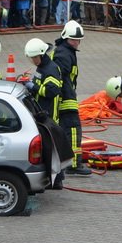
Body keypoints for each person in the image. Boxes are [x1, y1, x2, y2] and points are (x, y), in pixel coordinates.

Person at [51, 21, 92, 178]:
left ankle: (69, 162)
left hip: (67, 97)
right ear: (66, 38)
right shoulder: (63, 54)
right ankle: (74, 164)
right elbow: (60, 78)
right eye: (74, 40)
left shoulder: (66, 51)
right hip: (66, 99)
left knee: (69, 131)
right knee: (73, 131)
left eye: (78, 40)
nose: (77, 42)